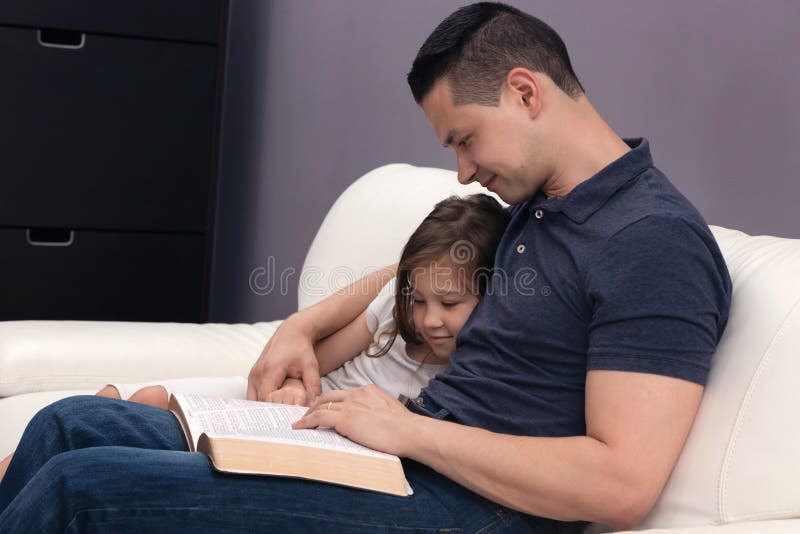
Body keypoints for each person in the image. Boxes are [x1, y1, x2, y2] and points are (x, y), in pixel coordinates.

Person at [0, 3, 732, 532]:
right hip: (398, 463)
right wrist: (301, 324)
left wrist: (411, 433)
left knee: (79, 487)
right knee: (71, 425)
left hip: (470, 507)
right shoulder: (542, 207)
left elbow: (622, 484)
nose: (462, 171)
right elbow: (405, 274)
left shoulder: (651, 241)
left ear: (525, 92)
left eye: (466, 139)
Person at [0, 193, 509, 477]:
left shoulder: (470, 379)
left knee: (140, 417)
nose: (429, 320)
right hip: (294, 405)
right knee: (122, 400)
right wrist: (290, 391)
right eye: (419, 301)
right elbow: (323, 360)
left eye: (449, 305)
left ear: (491, 295)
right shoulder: (393, 312)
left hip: (325, 436)